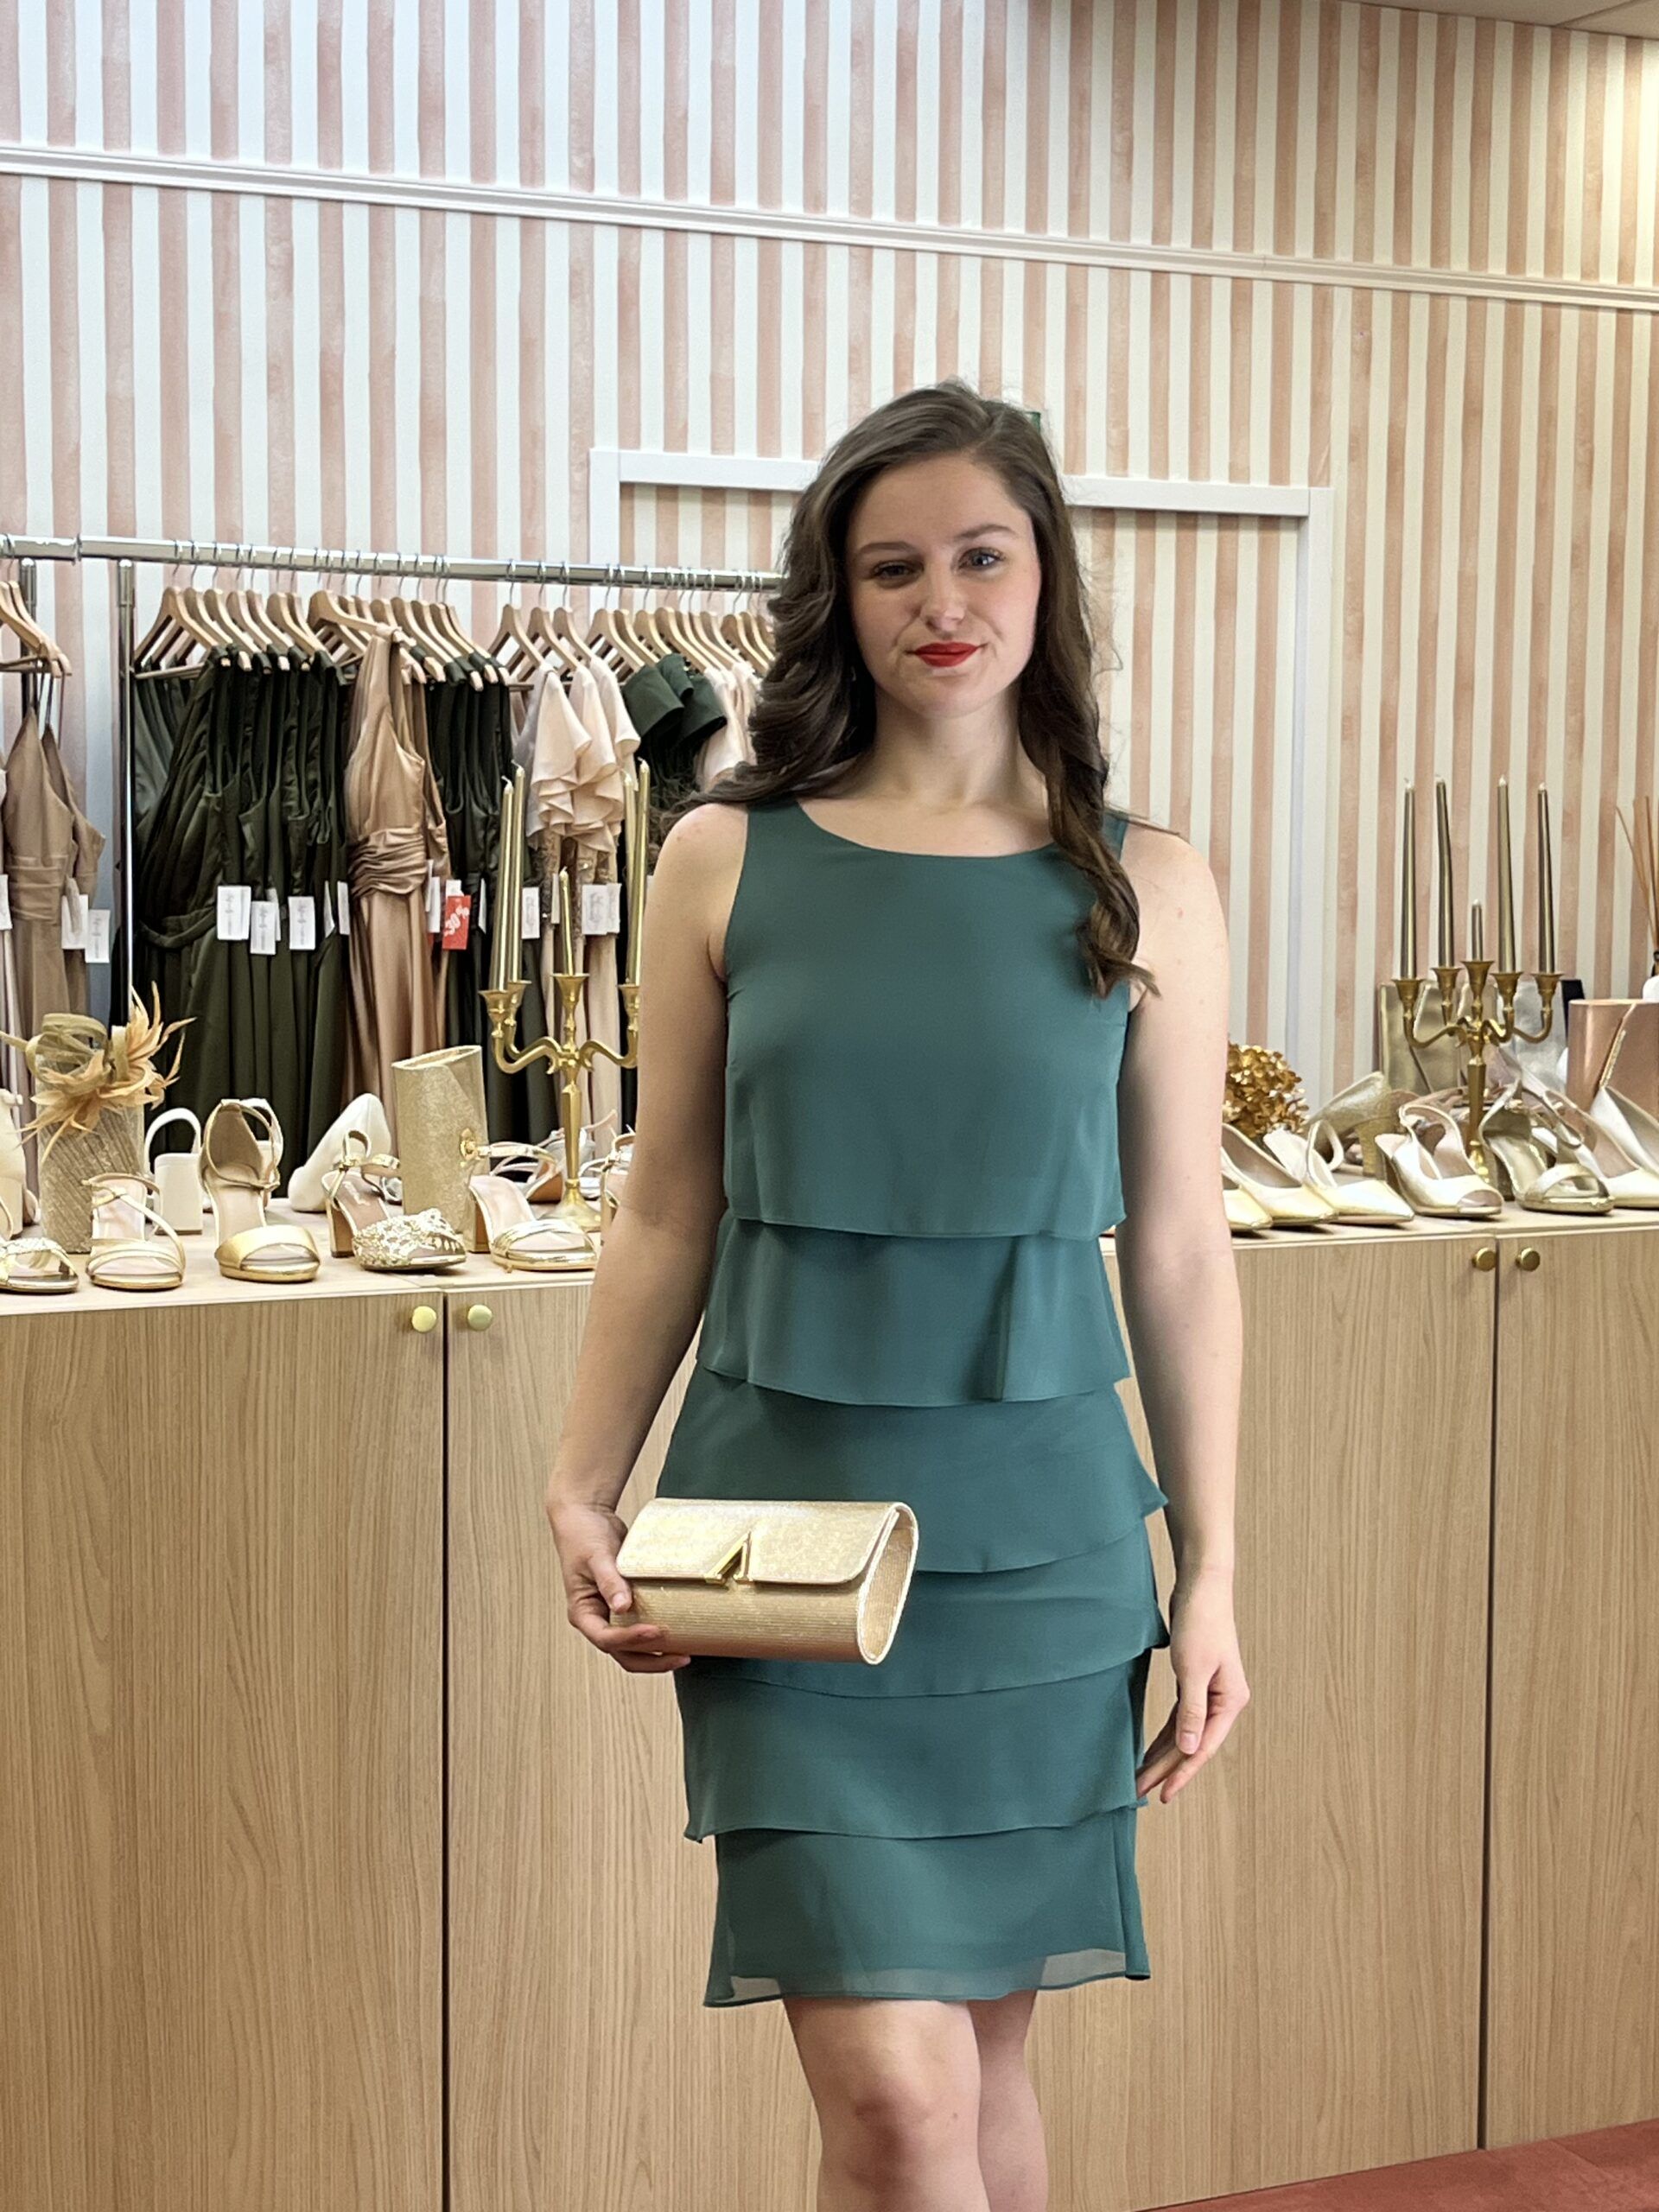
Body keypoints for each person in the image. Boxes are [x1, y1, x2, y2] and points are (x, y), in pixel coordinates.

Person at [545, 379, 1248, 2212]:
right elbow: (666, 1205)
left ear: (1046, 576)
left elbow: (1181, 1249)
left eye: (982, 556)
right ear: (838, 598)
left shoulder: (1152, 885)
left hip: (1042, 1559)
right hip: (784, 1549)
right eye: (893, 566)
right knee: (900, 2104)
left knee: (985, 2074)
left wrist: (1212, 1573)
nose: (943, 600)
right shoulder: (723, 856)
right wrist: (582, 1479)